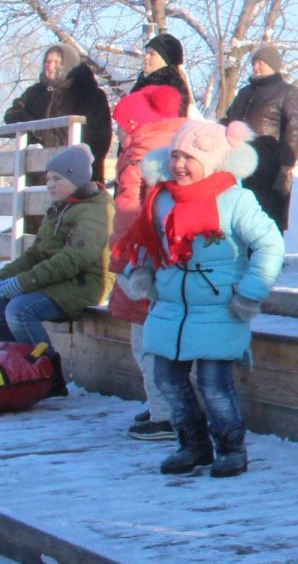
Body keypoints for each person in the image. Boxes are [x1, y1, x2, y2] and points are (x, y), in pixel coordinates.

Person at [116, 120, 283, 477]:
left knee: (214, 384)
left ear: (210, 161)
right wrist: (141, 274)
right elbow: (147, 242)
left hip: (220, 307)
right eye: (175, 155)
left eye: (189, 157)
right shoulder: (161, 199)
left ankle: (230, 449)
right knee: (167, 378)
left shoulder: (235, 199)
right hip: (170, 306)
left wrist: (251, 293)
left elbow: (270, 245)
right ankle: (192, 445)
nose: (179, 165)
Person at [109, 38, 193, 442]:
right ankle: (162, 405)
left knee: (146, 332)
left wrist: (124, 249)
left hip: (144, 250)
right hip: (163, 247)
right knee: (151, 330)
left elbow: (131, 206)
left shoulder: (145, 148)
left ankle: (166, 413)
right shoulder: (175, 141)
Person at [0, 144, 114, 401]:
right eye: (48, 179)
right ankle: (14, 370)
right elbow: (36, 254)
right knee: (1, 301)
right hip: (61, 281)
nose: (49, 184)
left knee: (20, 309)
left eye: (57, 179)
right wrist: (5, 277)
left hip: (87, 283)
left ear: (76, 178)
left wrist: (23, 283)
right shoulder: (61, 207)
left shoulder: (97, 210)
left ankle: (49, 376)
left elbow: (74, 259)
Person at [222, 44, 298, 233]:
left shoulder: (287, 91)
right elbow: (229, 118)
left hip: (269, 161)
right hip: (238, 161)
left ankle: (271, 256)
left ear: (273, 65)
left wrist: (286, 163)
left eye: (261, 63)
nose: (256, 67)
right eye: (254, 63)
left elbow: (294, 127)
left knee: (268, 210)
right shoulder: (244, 93)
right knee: (242, 211)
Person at [7, 44, 111, 175]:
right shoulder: (34, 93)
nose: (50, 66)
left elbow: (99, 136)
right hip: (38, 174)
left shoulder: (87, 93)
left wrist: (77, 161)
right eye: (47, 62)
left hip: (77, 174)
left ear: (68, 64)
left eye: (56, 62)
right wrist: (33, 128)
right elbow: (12, 115)